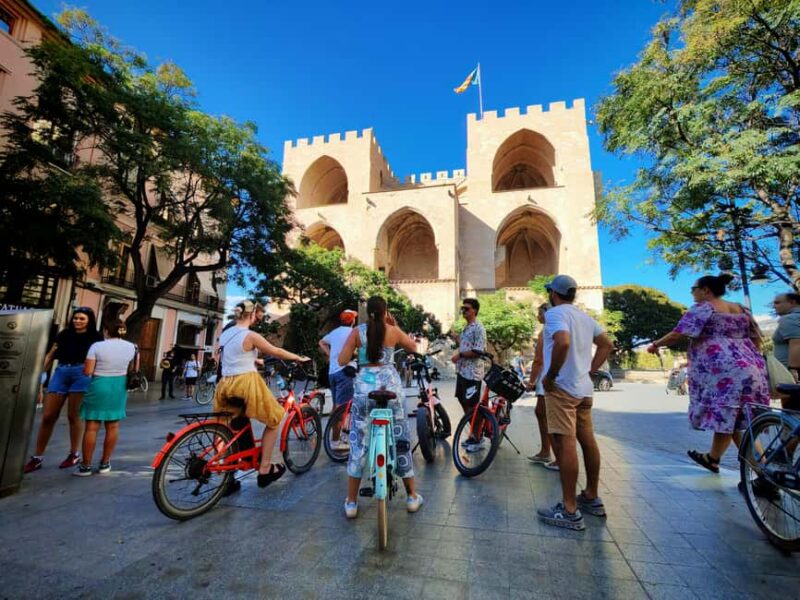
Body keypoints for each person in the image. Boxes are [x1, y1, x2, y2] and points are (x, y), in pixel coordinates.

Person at [647, 273, 769, 473]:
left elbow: (678, 333)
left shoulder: (704, 309)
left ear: (705, 290)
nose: (692, 293)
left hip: (723, 371)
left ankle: (758, 470)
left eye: (693, 289)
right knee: (734, 418)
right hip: (751, 368)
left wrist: (655, 344)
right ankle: (724, 461)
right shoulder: (742, 310)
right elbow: (756, 338)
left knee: (726, 418)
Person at [538, 275, 613, 531]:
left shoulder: (555, 314)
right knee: (588, 441)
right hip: (583, 390)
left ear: (553, 293)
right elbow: (606, 344)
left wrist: (551, 375)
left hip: (562, 389)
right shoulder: (584, 317)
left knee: (565, 442)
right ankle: (592, 496)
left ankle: (569, 509)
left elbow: (563, 341)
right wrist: (589, 371)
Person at [338, 296, 423, 518]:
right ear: (386, 311)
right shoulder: (392, 331)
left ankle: (351, 502)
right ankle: (412, 496)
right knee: (401, 439)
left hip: (365, 391)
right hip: (391, 389)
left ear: (368, 312)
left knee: (358, 444)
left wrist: (358, 352)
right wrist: (395, 327)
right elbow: (414, 347)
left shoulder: (357, 332)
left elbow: (341, 360)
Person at [214, 300, 310, 488]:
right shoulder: (250, 335)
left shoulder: (225, 334)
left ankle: (226, 473)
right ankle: (265, 468)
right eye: (256, 316)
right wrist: (298, 358)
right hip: (245, 383)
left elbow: (231, 356)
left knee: (230, 425)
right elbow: (276, 351)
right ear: (251, 315)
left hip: (225, 384)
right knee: (275, 418)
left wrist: (254, 360)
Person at [24, 307, 103, 473]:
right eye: (75, 318)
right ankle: (37, 457)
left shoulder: (95, 337)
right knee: (48, 416)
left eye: (82, 318)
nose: (77, 321)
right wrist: (40, 378)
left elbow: (99, 360)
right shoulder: (64, 334)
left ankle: (74, 454)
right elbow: (51, 354)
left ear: (89, 320)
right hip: (60, 372)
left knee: (74, 416)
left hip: (82, 374)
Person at [74, 319, 137, 476]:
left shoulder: (97, 346)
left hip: (99, 384)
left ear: (106, 331)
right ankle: (105, 463)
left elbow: (88, 371)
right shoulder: (133, 347)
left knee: (92, 427)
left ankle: (86, 466)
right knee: (113, 426)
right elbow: (134, 368)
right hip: (119, 386)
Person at [451, 298, 487, 453]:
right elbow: (467, 344)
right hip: (463, 372)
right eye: (462, 309)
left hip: (472, 373)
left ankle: (478, 438)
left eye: (466, 308)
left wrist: (459, 355)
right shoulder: (468, 327)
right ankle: (473, 432)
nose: (463, 311)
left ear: (474, 310)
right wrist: (456, 338)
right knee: (462, 400)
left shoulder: (478, 328)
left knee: (473, 405)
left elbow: (479, 351)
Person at [319, 310, 358, 450]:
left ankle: (334, 434)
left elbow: (321, 342)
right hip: (344, 372)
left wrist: (330, 356)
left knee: (337, 406)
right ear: (352, 321)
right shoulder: (352, 333)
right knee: (340, 410)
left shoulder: (335, 332)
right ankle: (335, 442)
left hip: (332, 373)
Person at [526, 303, 558, 470]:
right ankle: (545, 450)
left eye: (539, 313)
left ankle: (554, 455)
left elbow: (538, 360)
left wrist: (531, 381)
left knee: (546, 415)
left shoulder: (545, 332)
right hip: (552, 377)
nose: (537, 316)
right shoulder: (559, 330)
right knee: (541, 413)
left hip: (545, 378)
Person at [772, 292, 800, 408]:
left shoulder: (789, 319)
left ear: (792, 302)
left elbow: (797, 344)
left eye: (778, 303)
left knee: (792, 411)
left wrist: (793, 370)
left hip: (793, 374)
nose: (774, 306)